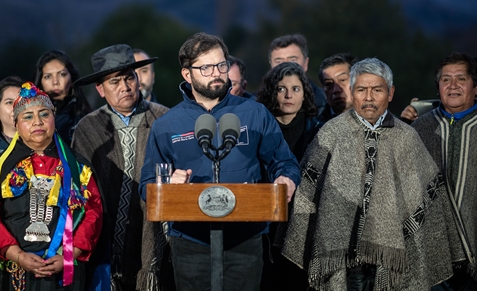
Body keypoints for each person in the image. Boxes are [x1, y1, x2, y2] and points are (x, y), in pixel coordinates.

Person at [139, 32, 301, 291]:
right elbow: (147, 184)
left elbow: (284, 163)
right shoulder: (166, 124)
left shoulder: (254, 113)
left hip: (245, 242)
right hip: (190, 244)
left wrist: (286, 178)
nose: (216, 72)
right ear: (187, 74)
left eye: (221, 65)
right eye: (205, 67)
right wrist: (167, 183)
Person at [281, 58, 458, 290]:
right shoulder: (331, 133)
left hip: (393, 258)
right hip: (340, 259)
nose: (369, 97)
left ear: (391, 93)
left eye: (377, 90)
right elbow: (308, 191)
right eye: (362, 90)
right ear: (352, 92)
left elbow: (426, 198)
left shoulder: (407, 137)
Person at [0, 83, 103, 291]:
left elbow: (93, 213)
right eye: (27, 116)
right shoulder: (0, 170)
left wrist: (70, 254)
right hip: (15, 272)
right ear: (16, 124)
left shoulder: (78, 167)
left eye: (44, 114)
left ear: (54, 118)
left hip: (64, 271)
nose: (37, 122)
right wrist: (16, 254)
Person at [72, 44, 170, 291]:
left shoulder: (165, 119)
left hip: (157, 235)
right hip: (103, 241)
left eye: (129, 78)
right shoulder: (88, 128)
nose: (124, 87)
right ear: (100, 89)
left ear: (138, 80)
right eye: (114, 82)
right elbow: (79, 192)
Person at [411, 52, 477, 290]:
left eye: (461, 78)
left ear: (475, 87)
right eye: (445, 79)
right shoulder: (421, 128)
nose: (453, 86)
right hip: (433, 251)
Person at [256, 62, 322, 291]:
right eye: (281, 88)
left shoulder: (319, 132)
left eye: (296, 89)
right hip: (266, 221)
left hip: (303, 223)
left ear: (305, 94)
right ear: (271, 92)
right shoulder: (259, 129)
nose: (288, 95)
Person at [33, 50, 92, 145]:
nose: (55, 82)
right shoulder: (29, 119)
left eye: (62, 74)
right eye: (48, 76)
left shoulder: (86, 120)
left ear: (72, 78)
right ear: (40, 81)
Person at [268, 34, 326, 115]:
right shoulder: (256, 106)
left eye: (292, 60)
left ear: (306, 63)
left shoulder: (326, 101)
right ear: (271, 65)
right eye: (279, 61)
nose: (286, 66)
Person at [317, 53, 357, 122]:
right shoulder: (315, 129)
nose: (336, 90)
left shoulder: (378, 121)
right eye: (328, 84)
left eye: (342, 80)